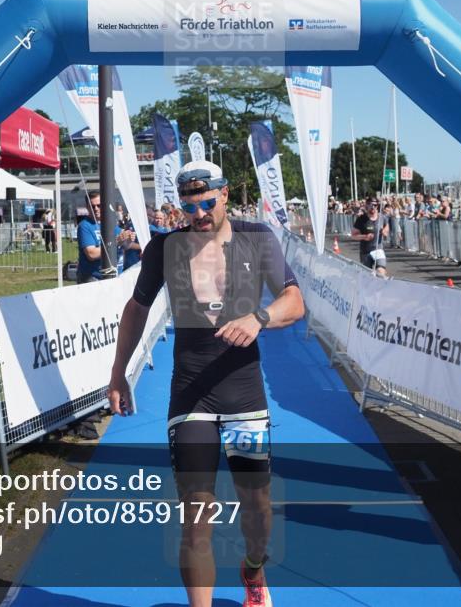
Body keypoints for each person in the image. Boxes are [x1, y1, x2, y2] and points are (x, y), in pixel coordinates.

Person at [107, 160, 305, 607]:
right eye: (189, 205)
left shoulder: (257, 237)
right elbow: (137, 309)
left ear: (226, 195)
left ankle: (253, 570)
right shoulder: (166, 248)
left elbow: (295, 302)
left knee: (257, 512)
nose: (198, 213)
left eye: (207, 202)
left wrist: (259, 318)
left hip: (245, 394)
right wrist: (118, 372)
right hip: (191, 394)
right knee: (195, 514)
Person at [352, 199, 390, 276]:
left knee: (380, 271)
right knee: (367, 275)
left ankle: (381, 285)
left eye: (375, 205)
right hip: (365, 251)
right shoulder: (361, 219)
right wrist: (364, 236)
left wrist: (385, 232)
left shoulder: (382, 217)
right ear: (367, 206)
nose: (373, 207)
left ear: (377, 206)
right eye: (371, 205)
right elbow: (353, 235)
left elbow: (386, 226)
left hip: (378, 249)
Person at [76, 192, 106, 283]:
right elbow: (91, 254)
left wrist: (128, 237)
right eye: (92, 206)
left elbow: (126, 244)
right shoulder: (84, 226)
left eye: (99, 205)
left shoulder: (109, 223)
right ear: (87, 207)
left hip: (107, 277)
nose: (96, 209)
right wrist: (115, 242)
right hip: (91, 278)